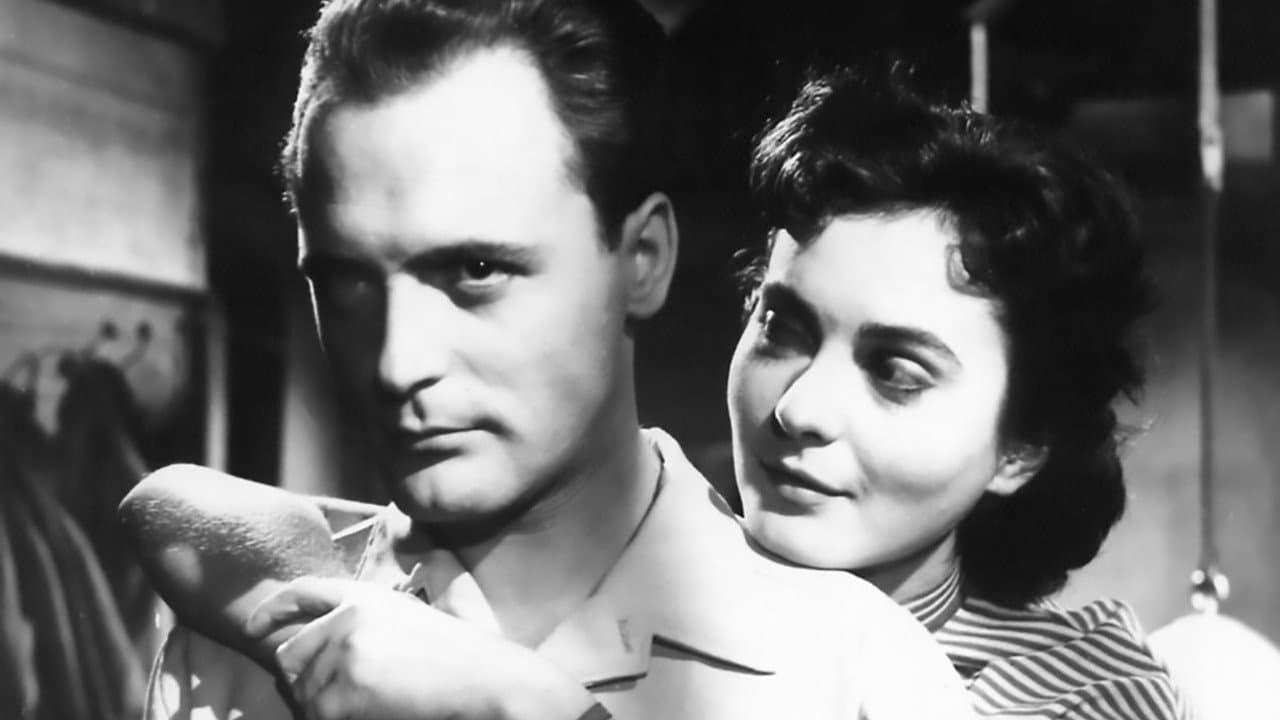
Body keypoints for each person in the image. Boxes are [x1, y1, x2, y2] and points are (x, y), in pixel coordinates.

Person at [143, 2, 973, 719]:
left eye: (475, 271)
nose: (398, 363)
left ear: (641, 259)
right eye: (347, 282)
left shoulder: (856, 677)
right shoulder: (240, 645)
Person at [728, 68, 1188, 718]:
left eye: (896, 374)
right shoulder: (624, 593)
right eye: (780, 329)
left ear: (1020, 447)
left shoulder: (1078, 699)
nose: (798, 408)